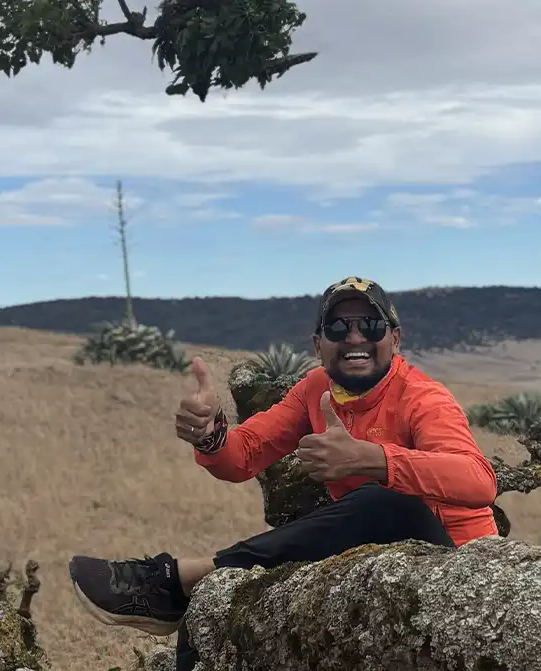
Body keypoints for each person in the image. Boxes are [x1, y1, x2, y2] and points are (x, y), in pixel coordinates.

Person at [68, 276, 499, 669]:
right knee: (217, 607)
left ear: (395, 338)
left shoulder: (424, 398)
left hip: (455, 569)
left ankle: (171, 580)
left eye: (370, 326)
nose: (354, 337)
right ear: (317, 345)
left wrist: (374, 459)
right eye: (337, 328)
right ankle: (187, 598)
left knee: (386, 502)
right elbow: (243, 455)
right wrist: (209, 434)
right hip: (377, 561)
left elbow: (479, 482)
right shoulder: (315, 390)